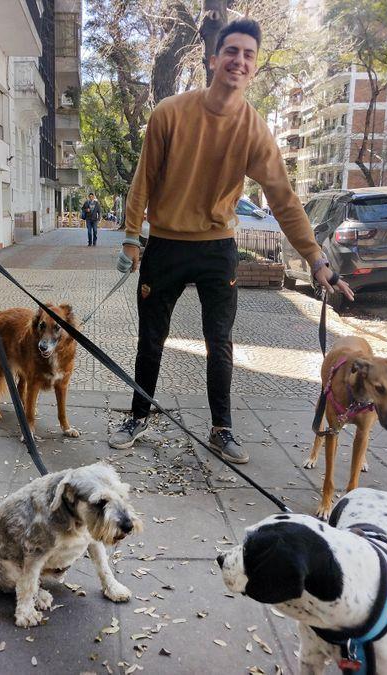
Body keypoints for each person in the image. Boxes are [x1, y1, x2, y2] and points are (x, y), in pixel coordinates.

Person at [108, 19, 354, 463]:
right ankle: (138, 416)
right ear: (213, 59)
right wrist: (130, 238)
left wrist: (316, 258)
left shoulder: (254, 130)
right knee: (151, 337)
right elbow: (142, 180)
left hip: (217, 248)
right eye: (232, 51)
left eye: (248, 55)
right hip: (164, 243)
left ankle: (222, 428)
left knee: (219, 341)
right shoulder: (169, 112)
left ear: (254, 68)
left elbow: (283, 199)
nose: (239, 60)